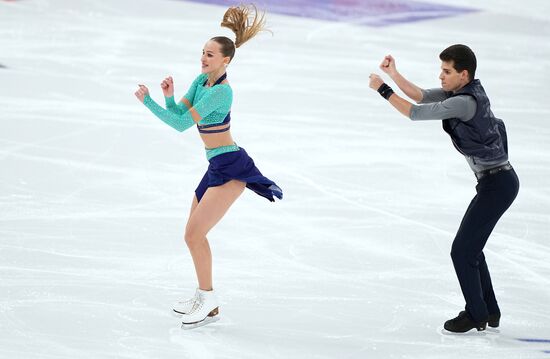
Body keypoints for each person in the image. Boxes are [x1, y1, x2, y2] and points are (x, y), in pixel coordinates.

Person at [134, 4, 282, 327]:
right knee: (193, 235)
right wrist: (169, 97)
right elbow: (177, 115)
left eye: (210, 55)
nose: (203, 58)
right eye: (203, 52)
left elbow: (180, 126)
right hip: (215, 166)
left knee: (193, 234)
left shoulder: (222, 93)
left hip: (231, 168)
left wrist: (148, 102)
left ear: (226, 60)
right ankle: (204, 297)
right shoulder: (201, 83)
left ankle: (209, 298)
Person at [368, 44, 519, 333]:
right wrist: (393, 73)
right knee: (471, 249)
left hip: (497, 184)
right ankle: (489, 310)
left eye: (446, 71)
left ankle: (476, 314)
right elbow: (420, 96)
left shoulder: (463, 103)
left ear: (464, 74)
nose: (441, 76)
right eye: (441, 70)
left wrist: (382, 89)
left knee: (462, 251)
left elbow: (414, 112)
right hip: (495, 182)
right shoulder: (463, 92)